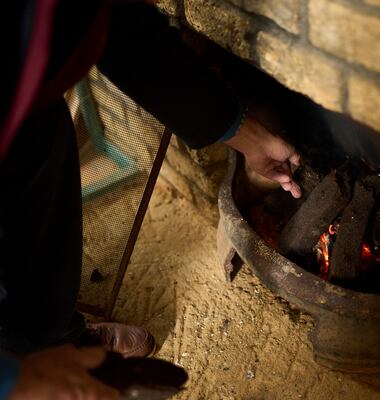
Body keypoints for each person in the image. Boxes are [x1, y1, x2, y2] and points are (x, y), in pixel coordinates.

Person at [0, 1, 301, 398]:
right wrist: (18, 379)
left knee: (40, 160)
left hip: (22, 108)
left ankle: (56, 337)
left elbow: (125, 33)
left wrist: (247, 136)